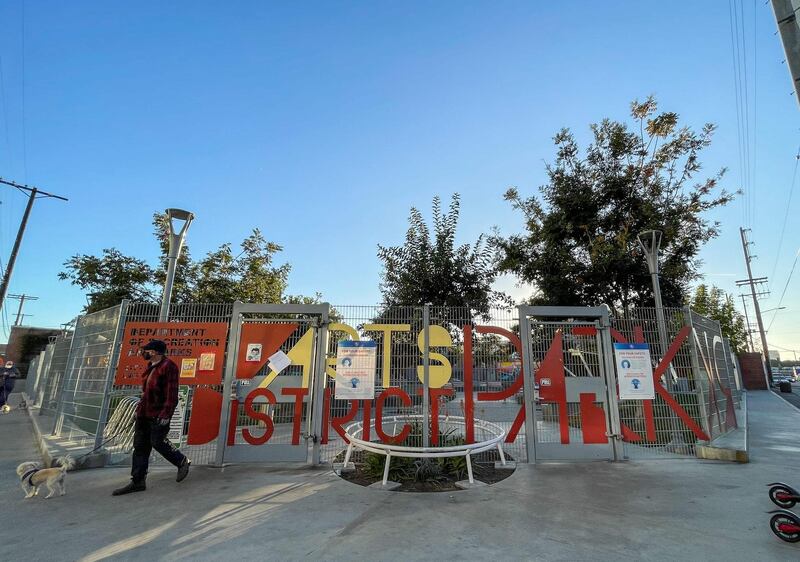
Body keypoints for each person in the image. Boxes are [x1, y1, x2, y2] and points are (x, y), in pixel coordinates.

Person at [113, 340, 190, 496]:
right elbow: (146, 393)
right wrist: (139, 410)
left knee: (158, 441)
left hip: (158, 414)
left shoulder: (169, 367)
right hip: (144, 413)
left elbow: (171, 394)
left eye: (146, 350)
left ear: (154, 352)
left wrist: (166, 414)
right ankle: (138, 480)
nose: (143, 353)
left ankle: (181, 461)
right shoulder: (151, 367)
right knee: (140, 446)